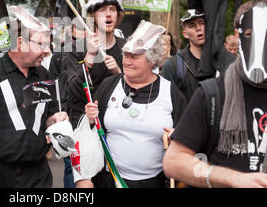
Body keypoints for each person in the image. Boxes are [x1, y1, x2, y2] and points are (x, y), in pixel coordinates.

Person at [163, 0, 267, 188]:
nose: (261, 42)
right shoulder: (212, 95)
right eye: (250, 34)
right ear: (238, 36)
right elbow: (173, 162)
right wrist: (232, 178)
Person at [0, 9, 69, 188]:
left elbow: (46, 117)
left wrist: (56, 120)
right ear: (20, 43)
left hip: (36, 175)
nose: (47, 51)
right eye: (41, 44)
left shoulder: (44, 74)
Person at [76, 21, 187, 188]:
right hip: (109, 181)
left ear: (152, 60)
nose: (127, 61)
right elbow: (89, 131)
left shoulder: (170, 93)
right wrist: (90, 119)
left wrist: (177, 137)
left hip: (155, 183)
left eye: (134, 57)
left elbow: (186, 138)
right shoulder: (109, 85)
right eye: (125, 55)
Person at [66, 0, 127, 129]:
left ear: (118, 15)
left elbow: (135, 89)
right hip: (85, 125)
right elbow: (74, 91)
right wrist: (89, 58)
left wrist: (118, 73)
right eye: (102, 10)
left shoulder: (127, 47)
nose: (108, 15)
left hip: (117, 123)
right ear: (93, 16)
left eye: (112, 9)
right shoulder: (76, 48)